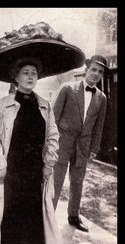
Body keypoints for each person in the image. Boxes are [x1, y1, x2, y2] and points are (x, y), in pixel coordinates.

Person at [0, 57, 66, 244]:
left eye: (34, 73)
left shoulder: (44, 104)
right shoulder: (1, 105)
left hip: (35, 169)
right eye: (26, 72)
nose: (31, 77)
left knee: (33, 214)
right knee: (12, 215)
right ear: (16, 77)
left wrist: (49, 163)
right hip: (11, 170)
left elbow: (52, 136)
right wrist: (0, 162)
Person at [52, 55, 108, 232]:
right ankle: (47, 218)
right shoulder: (67, 88)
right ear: (86, 70)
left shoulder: (101, 98)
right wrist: (50, 143)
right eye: (93, 69)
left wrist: (94, 148)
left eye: (100, 72)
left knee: (77, 182)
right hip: (62, 144)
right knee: (55, 182)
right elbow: (52, 118)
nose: (96, 74)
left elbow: (99, 126)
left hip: (82, 147)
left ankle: (73, 216)